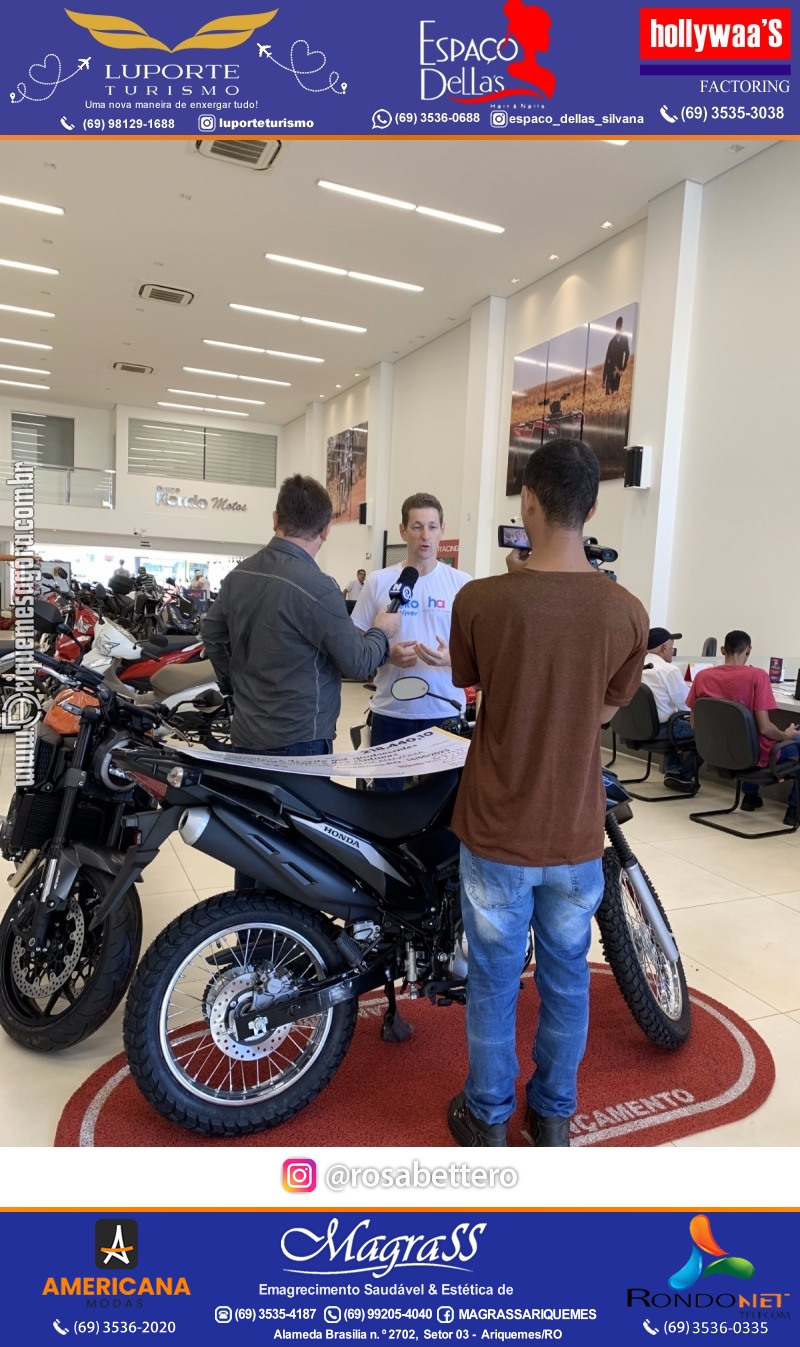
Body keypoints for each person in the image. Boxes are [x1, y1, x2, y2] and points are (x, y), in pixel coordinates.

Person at [445, 439, 649, 1148]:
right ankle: (554, 1112)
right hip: (573, 833)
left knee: (494, 983)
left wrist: (517, 590)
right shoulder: (626, 611)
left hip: (497, 826)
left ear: (526, 500)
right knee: (568, 979)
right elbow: (601, 709)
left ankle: (489, 1115)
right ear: (591, 507)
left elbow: (477, 682)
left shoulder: (478, 598)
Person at [351, 492, 472, 790]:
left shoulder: (462, 584)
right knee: (384, 811)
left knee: (441, 814)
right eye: (417, 526)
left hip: (444, 714)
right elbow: (355, 641)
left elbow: (479, 652)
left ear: (443, 529)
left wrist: (451, 660)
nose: (425, 535)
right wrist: (385, 653)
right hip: (391, 712)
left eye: (432, 526)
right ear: (403, 530)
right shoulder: (379, 582)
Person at [687, 630, 800, 825]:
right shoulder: (757, 676)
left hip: (716, 753)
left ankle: (750, 798)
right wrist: (786, 735)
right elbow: (764, 728)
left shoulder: (703, 676)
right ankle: (793, 811)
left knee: (749, 740)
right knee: (785, 741)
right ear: (748, 650)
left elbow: (694, 723)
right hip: (753, 756)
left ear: (723, 649)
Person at [641, 626, 699, 791]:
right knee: (709, 733)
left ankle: (673, 770)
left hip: (640, 728)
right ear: (664, 648)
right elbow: (686, 705)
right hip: (664, 730)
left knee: (673, 717)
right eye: (672, 647)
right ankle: (682, 775)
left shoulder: (635, 666)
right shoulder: (668, 670)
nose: (672, 651)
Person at [602, 316, 630, 395]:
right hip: (609, 373)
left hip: (618, 373)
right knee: (608, 395)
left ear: (621, 327)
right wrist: (604, 379)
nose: (618, 328)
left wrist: (622, 369)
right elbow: (607, 360)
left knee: (615, 394)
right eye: (617, 326)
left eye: (619, 326)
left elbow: (627, 353)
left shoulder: (625, 339)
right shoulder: (612, 342)